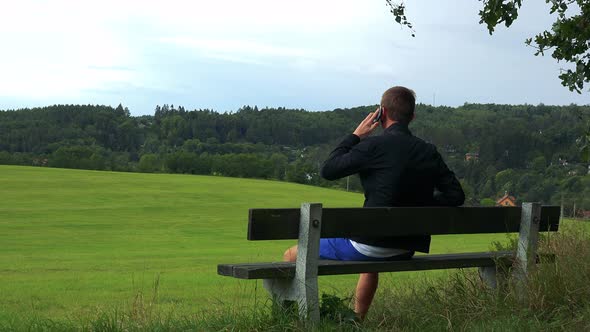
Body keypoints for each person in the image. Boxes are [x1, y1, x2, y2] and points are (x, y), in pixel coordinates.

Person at [283, 86, 465, 320]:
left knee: (291, 255)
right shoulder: (428, 151)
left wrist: (355, 136)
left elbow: (328, 170)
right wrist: (421, 204)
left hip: (371, 246)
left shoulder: (373, 146)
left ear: (381, 113)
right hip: (405, 248)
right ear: (412, 117)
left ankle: (294, 319)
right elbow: (456, 195)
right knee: (371, 252)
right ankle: (358, 319)